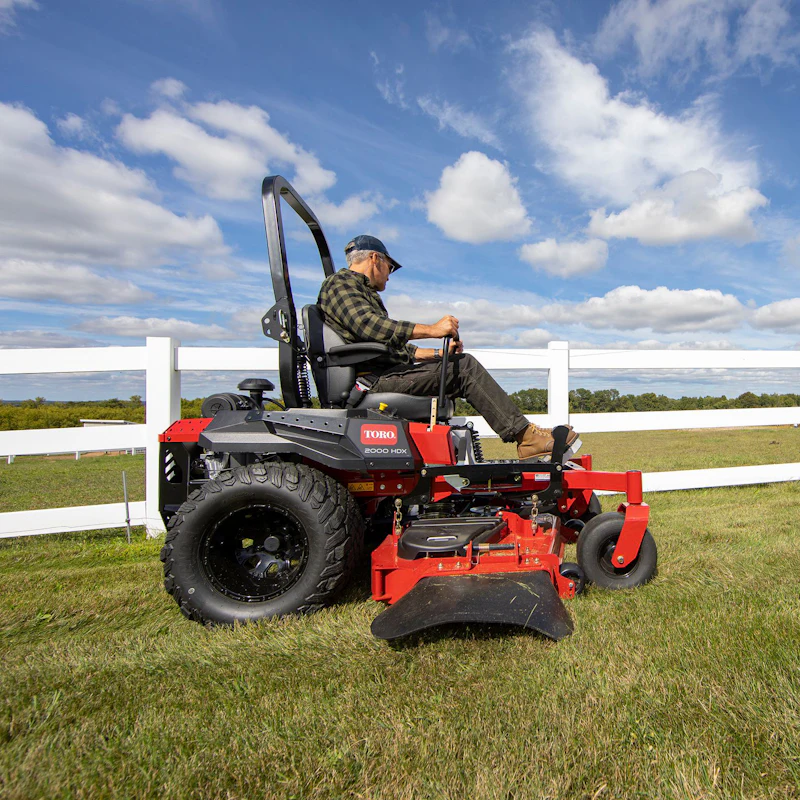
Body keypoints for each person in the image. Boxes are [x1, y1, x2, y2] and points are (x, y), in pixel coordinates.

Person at [317, 234, 579, 460]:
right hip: (371, 381)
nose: (389, 274)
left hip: (381, 374)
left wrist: (438, 354)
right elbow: (369, 326)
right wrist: (432, 329)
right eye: (389, 266)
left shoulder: (358, 292)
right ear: (375, 258)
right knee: (464, 368)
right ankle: (525, 437)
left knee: (457, 361)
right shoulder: (340, 284)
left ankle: (526, 431)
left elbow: (388, 347)